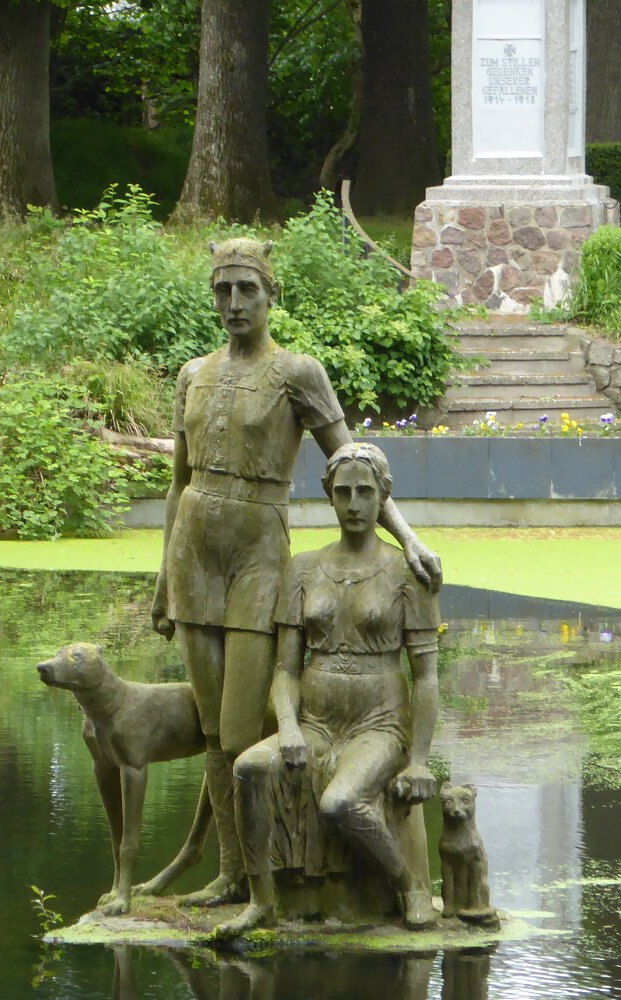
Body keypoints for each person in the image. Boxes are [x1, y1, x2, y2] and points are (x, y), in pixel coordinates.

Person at [151, 240, 440, 906]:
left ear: (270, 294)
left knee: (242, 725)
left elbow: (355, 461)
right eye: (223, 290)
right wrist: (164, 575)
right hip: (193, 548)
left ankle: (286, 866)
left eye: (247, 289)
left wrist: (408, 538)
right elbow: (177, 483)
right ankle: (233, 872)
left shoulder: (297, 373)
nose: (234, 303)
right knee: (212, 727)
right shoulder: (193, 374)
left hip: (257, 547)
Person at [220, 442, 441, 937]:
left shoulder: (407, 573)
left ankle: (408, 886)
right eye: (343, 493)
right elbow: (286, 670)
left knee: (339, 803)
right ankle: (261, 900)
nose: (354, 504)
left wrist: (419, 760)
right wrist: (288, 727)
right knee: (249, 769)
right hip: (316, 723)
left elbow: (426, 676)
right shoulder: (302, 568)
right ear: (329, 496)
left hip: (378, 724)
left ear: (383, 496)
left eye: (365, 493)